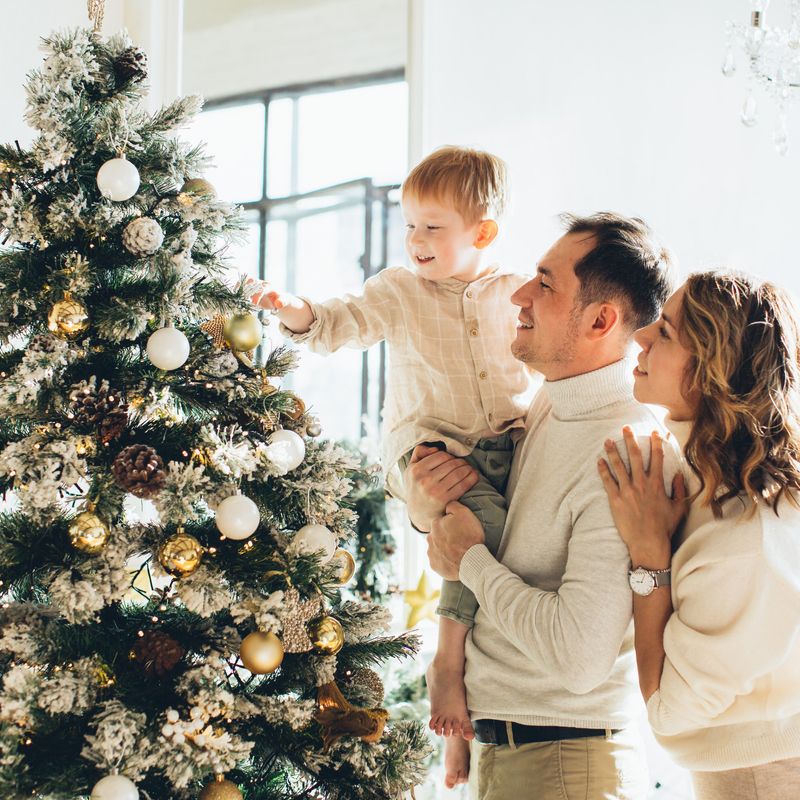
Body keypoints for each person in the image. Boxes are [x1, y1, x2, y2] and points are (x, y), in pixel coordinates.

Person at [247, 146, 535, 786]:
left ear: (482, 232)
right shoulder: (401, 290)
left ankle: (476, 726)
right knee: (476, 538)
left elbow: (546, 362)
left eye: (433, 227)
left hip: (506, 447)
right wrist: (293, 308)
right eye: (409, 224)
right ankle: (447, 668)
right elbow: (338, 322)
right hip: (430, 448)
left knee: (517, 562)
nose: (416, 240)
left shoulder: (516, 293)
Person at [405, 211, 675, 798]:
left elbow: (578, 659)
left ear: (602, 319)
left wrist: (468, 561)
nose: (521, 295)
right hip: (519, 750)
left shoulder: (627, 451)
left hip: (562, 764)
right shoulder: (553, 404)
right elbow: (500, 533)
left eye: (547, 283)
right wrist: (433, 504)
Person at [598, 271, 800, 800]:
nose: (640, 336)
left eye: (664, 332)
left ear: (710, 372)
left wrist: (649, 559)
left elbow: (666, 710)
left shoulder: (744, 535)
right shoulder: (707, 480)